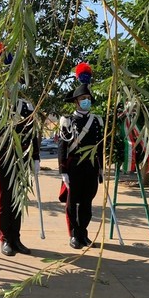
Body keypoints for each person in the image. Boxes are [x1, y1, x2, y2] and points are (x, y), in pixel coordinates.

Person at [0, 98, 41, 256]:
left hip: (21, 159)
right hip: (3, 158)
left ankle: (16, 238)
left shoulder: (27, 106)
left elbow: (31, 133)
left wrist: (35, 157)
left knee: (18, 200)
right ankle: (5, 239)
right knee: (4, 200)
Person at [58, 63, 103, 249]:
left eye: (88, 98)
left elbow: (99, 147)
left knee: (87, 202)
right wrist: (63, 171)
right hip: (74, 166)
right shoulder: (67, 120)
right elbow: (63, 146)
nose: (87, 101)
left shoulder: (97, 120)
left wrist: (100, 168)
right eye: (83, 99)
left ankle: (83, 233)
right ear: (76, 101)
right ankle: (74, 235)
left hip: (91, 166)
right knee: (73, 203)